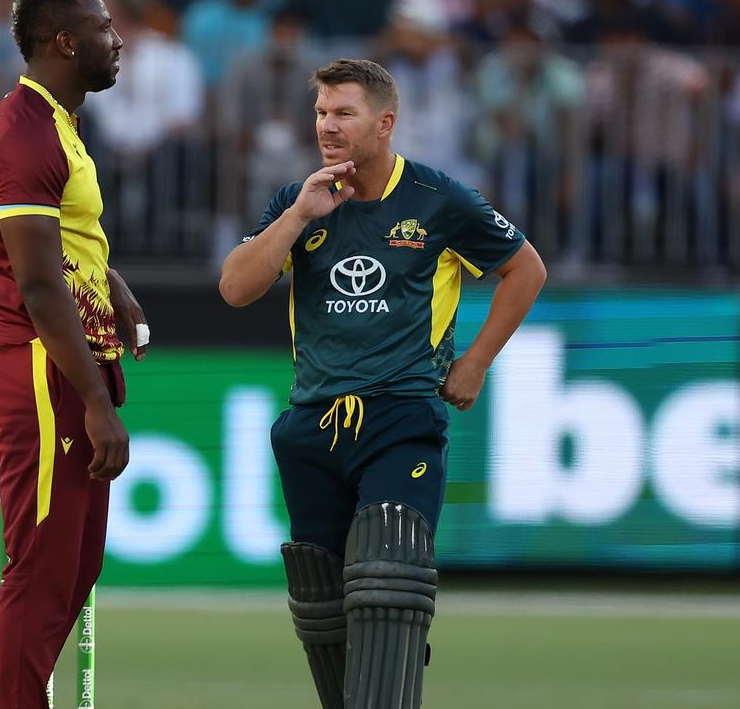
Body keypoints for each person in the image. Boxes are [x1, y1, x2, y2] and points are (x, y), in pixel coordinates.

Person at [219, 58, 546, 709]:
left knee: (388, 579)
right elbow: (234, 287)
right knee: (322, 600)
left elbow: (526, 270)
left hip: (401, 417)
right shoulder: (298, 199)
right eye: (321, 113)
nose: (328, 127)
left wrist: (476, 361)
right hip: (311, 422)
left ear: (384, 122)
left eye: (345, 113)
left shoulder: (437, 198)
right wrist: (298, 216)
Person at [0, 0, 147, 707]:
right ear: (65, 42)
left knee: (75, 567)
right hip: (36, 363)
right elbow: (38, 285)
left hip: (60, 359)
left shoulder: (56, 124)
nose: (117, 39)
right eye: (103, 27)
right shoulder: (29, 134)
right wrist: (96, 404)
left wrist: (114, 287)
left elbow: (61, 247)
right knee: (39, 573)